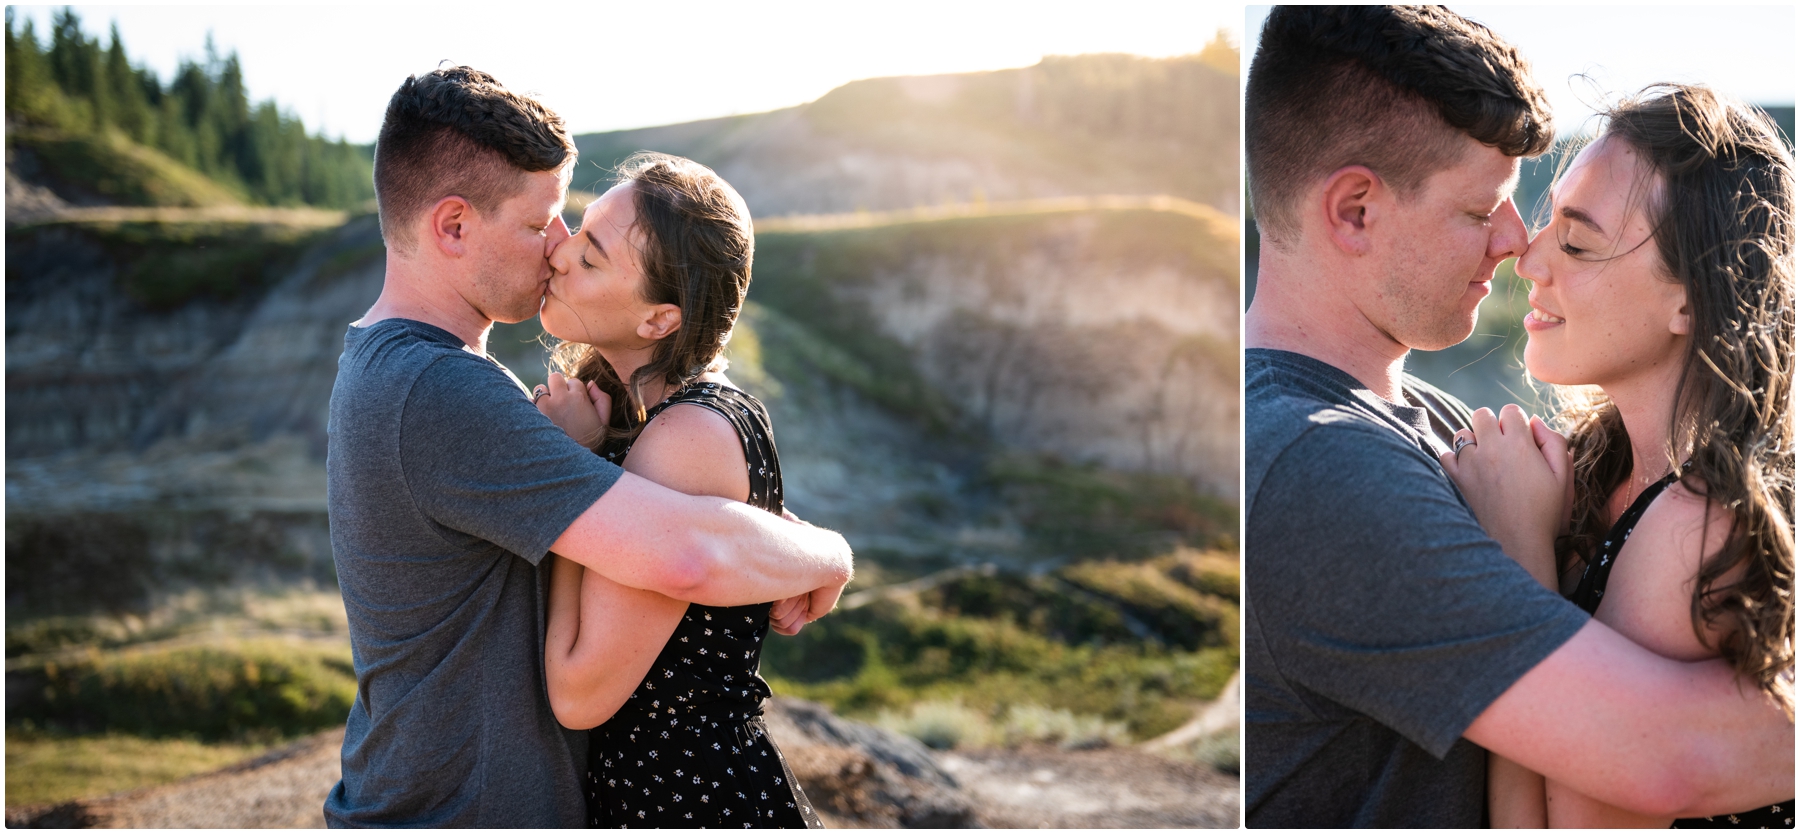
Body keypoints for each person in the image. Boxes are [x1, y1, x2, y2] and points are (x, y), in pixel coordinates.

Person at [1242, 6, 1793, 827]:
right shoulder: (1313, 466)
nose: (1516, 245)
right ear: (1354, 211)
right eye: (1478, 211)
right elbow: (1672, 757)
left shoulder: (1432, 425)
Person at [323, 67, 852, 827]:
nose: (560, 246)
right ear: (454, 227)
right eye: (540, 223)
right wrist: (831, 553)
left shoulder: (414, 369)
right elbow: (683, 553)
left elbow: (646, 510)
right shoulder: (436, 391)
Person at [1443, 84, 1794, 828]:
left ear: (1693, 299)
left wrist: (1516, 557)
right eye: (1548, 228)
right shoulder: (1602, 472)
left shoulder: (1699, 525)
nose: (1529, 261)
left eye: (1576, 242)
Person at [527, 152, 821, 827]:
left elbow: (578, 691)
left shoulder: (684, 439)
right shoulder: (675, 418)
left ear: (659, 320)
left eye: (593, 257)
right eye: (580, 229)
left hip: (694, 806)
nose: (561, 254)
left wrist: (576, 470)